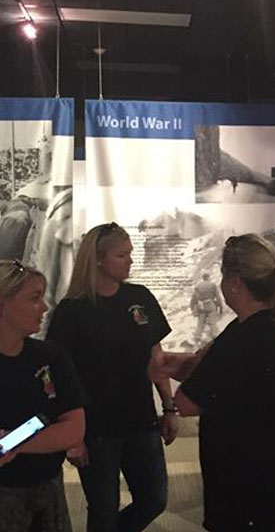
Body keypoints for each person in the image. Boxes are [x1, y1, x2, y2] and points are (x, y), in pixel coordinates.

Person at [150, 234, 275, 531]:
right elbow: (217, 372)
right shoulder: (260, 327)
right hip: (274, 476)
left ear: (235, 282)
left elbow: (187, 402)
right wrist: (176, 362)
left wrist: (168, 371)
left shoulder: (246, 338)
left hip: (259, 484)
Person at [47, 223, 177, 532]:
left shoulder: (140, 297)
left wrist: (169, 406)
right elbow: (61, 377)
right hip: (96, 427)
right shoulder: (72, 310)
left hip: (140, 420)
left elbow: (155, 357)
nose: (130, 260)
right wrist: (71, 434)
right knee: (103, 508)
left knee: (154, 499)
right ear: (99, 259)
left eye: (130, 253)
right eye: (122, 255)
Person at [0, 260, 86, 532]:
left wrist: (12, 443)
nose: (45, 307)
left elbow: (74, 430)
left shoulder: (51, 356)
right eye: (35, 298)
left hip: (49, 487)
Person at [190, 273, 223, 346]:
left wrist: (192, 308)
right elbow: (218, 297)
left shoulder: (198, 286)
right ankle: (214, 337)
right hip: (211, 306)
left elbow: (193, 299)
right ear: (208, 277)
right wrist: (221, 307)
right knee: (213, 322)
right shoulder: (212, 285)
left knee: (200, 323)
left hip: (201, 307)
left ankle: (197, 337)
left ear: (203, 278)